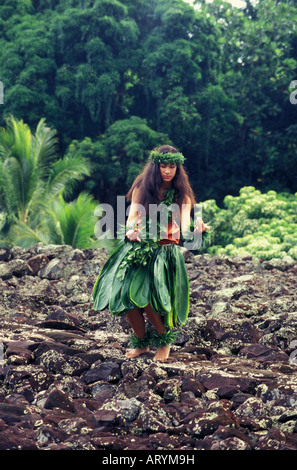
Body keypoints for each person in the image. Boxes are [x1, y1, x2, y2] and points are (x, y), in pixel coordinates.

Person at [92, 145, 209, 362]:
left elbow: (183, 228)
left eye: (172, 166)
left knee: (147, 298)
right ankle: (142, 343)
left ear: (177, 168)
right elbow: (131, 217)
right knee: (126, 293)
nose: (167, 171)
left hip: (165, 252)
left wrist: (198, 230)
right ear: (155, 167)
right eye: (163, 166)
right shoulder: (141, 186)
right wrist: (131, 231)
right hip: (138, 247)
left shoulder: (182, 194)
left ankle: (164, 341)